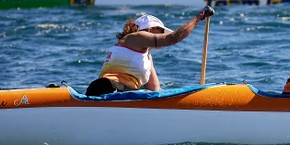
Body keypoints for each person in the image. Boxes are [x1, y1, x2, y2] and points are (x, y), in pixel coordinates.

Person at [85, 8, 215, 96]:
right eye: (160, 32)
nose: (162, 36)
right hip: (106, 88)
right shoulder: (136, 37)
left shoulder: (146, 57)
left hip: (124, 93)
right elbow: (173, 38)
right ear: (151, 30)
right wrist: (199, 17)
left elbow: (155, 90)